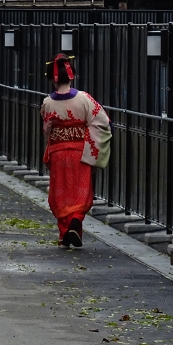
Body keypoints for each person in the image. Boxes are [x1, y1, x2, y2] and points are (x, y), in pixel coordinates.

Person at [41, 54, 111, 248]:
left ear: (52, 78)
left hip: (58, 151)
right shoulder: (84, 99)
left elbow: (46, 130)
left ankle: (65, 235)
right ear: (71, 76)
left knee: (61, 194)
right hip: (80, 151)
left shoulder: (47, 103)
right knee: (81, 192)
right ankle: (76, 221)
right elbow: (102, 121)